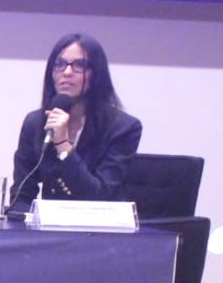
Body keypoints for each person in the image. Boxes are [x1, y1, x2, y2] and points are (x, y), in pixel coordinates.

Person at [9, 33, 142, 212]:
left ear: (97, 75)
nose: (67, 72)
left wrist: (63, 145)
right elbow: (21, 195)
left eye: (79, 65)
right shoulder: (35, 123)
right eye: (59, 64)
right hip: (50, 225)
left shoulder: (123, 128)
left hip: (99, 225)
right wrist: (22, 220)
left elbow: (99, 198)